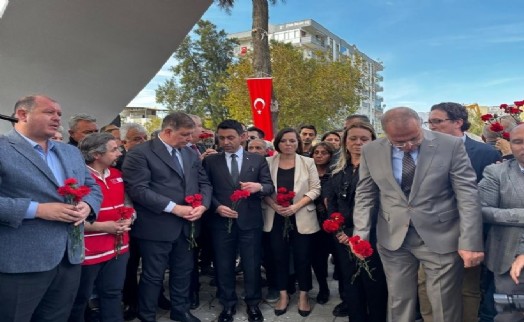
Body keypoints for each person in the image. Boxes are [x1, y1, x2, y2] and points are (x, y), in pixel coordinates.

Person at [352, 107, 484, 322]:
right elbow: (366, 193)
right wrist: (360, 234)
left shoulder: (449, 145)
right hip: (393, 237)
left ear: (420, 124)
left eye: (414, 138)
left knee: (443, 302)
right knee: (398, 300)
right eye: (399, 142)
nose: (408, 146)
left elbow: (467, 194)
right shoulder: (371, 151)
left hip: (441, 235)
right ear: (386, 134)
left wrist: (470, 242)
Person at [0, 95, 102, 321]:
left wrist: (87, 206)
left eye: (59, 114)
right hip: (21, 262)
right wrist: (37, 210)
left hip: (68, 259)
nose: (57, 118)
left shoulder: (70, 152)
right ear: (22, 115)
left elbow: (93, 187)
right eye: (49, 112)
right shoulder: (3, 148)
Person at [122, 112, 212, 322]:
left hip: (187, 225)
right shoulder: (140, 153)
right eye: (185, 134)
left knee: (183, 271)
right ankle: (147, 315)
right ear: (168, 131)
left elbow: (204, 183)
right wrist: (174, 208)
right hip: (156, 226)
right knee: (153, 276)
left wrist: (203, 206)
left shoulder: (190, 153)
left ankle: (180, 311)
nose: (190, 138)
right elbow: (138, 190)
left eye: (191, 134)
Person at [423, 102, 501, 322]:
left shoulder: (486, 153)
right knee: (425, 284)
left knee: (468, 287)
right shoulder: (422, 150)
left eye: (437, 121)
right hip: (430, 232)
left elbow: (488, 195)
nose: (432, 126)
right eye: (430, 122)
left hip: (468, 233)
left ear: (458, 122)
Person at [202, 119, 274, 322]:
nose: (225, 142)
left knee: (251, 264)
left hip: (249, 221)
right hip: (220, 222)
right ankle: (228, 304)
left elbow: (269, 186)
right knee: (223, 265)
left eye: (230, 137)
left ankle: (253, 304)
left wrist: (258, 187)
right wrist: (216, 207)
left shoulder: (257, 160)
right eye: (221, 137)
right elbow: (206, 188)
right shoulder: (211, 161)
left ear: (242, 137)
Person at [326, 122, 388, 321]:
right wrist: (339, 231)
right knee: (350, 281)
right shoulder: (337, 171)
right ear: (345, 142)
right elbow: (331, 203)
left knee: (373, 282)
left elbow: (379, 205)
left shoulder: (381, 171)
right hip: (343, 237)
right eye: (353, 138)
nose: (358, 143)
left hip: (371, 236)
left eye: (364, 139)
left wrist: (357, 233)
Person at [69, 133, 132, 322]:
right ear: (96, 154)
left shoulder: (117, 174)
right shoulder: (77, 179)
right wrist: (104, 226)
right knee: (80, 299)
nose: (120, 153)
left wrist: (129, 218)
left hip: (118, 247)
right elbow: (72, 217)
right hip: (89, 251)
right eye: (114, 149)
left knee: (113, 294)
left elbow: (127, 204)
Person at [263, 128, 321, 317]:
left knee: (302, 257)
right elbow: (263, 190)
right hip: (276, 216)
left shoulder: (308, 162)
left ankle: (303, 295)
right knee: (278, 257)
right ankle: (283, 294)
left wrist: (296, 206)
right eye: (284, 141)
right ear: (277, 143)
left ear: (298, 143)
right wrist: (274, 205)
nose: (288, 144)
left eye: (293, 141)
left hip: (301, 215)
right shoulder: (267, 162)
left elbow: (315, 189)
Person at [479, 123, 524, 322]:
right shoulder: (495, 173)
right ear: (509, 144)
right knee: (509, 315)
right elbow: (481, 210)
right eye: (518, 142)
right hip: (507, 260)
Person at [310, 142, 336, 305]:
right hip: (312, 221)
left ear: (330, 156)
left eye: (324, 153)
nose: (319, 155)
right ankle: (323, 288)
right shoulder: (307, 172)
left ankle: (344, 293)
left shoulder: (335, 174)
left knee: (338, 258)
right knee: (317, 259)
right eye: (316, 152)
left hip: (332, 221)